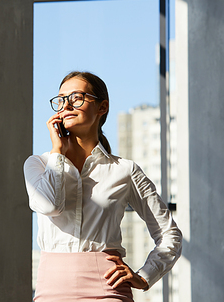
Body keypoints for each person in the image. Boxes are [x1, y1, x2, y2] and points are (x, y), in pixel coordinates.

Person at [23, 71, 182, 301]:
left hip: (108, 289)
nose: (66, 105)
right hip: (51, 291)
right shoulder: (38, 164)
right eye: (61, 99)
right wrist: (58, 152)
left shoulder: (125, 170)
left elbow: (169, 234)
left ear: (102, 107)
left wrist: (144, 276)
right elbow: (50, 205)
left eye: (76, 97)